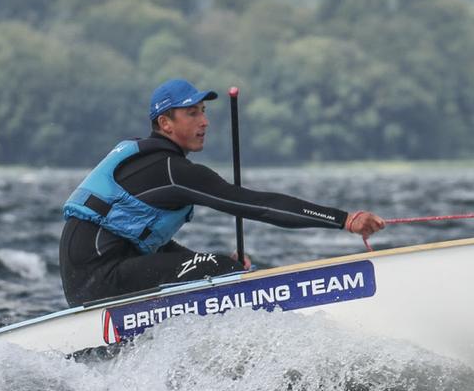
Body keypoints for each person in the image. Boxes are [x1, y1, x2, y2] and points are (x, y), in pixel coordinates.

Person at [59, 78, 385, 306]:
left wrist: (193, 261)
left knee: (214, 266)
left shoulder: (153, 165)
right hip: (99, 280)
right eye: (192, 113)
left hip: (87, 282)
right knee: (221, 270)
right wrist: (344, 219)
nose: (204, 122)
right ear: (165, 123)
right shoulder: (171, 171)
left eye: (204, 111)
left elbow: (138, 240)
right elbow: (258, 205)